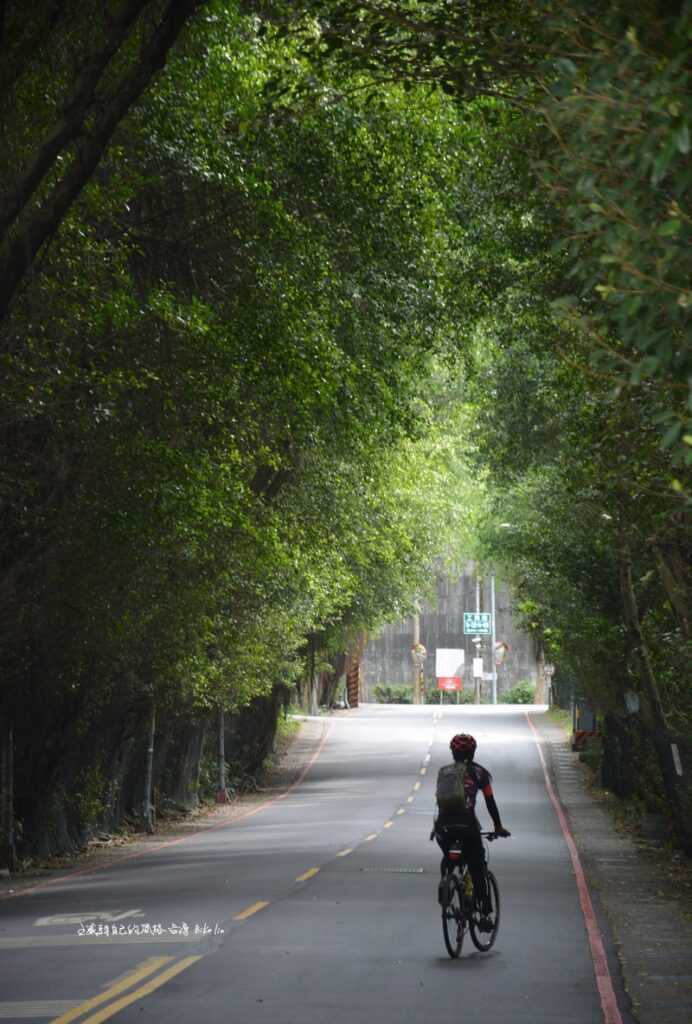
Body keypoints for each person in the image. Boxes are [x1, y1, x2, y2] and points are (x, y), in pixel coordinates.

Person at [431, 733, 510, 928]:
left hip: (443, 825)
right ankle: (484, 913)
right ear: (473, 752)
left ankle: (446, 883)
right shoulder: (479, 774)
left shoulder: (444, 772)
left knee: (448, 858)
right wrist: (498, 827)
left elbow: (439, 801)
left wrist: (436, 828)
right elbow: (490, 802)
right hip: (467, 825)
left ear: (453, 753)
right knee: (478, 865)